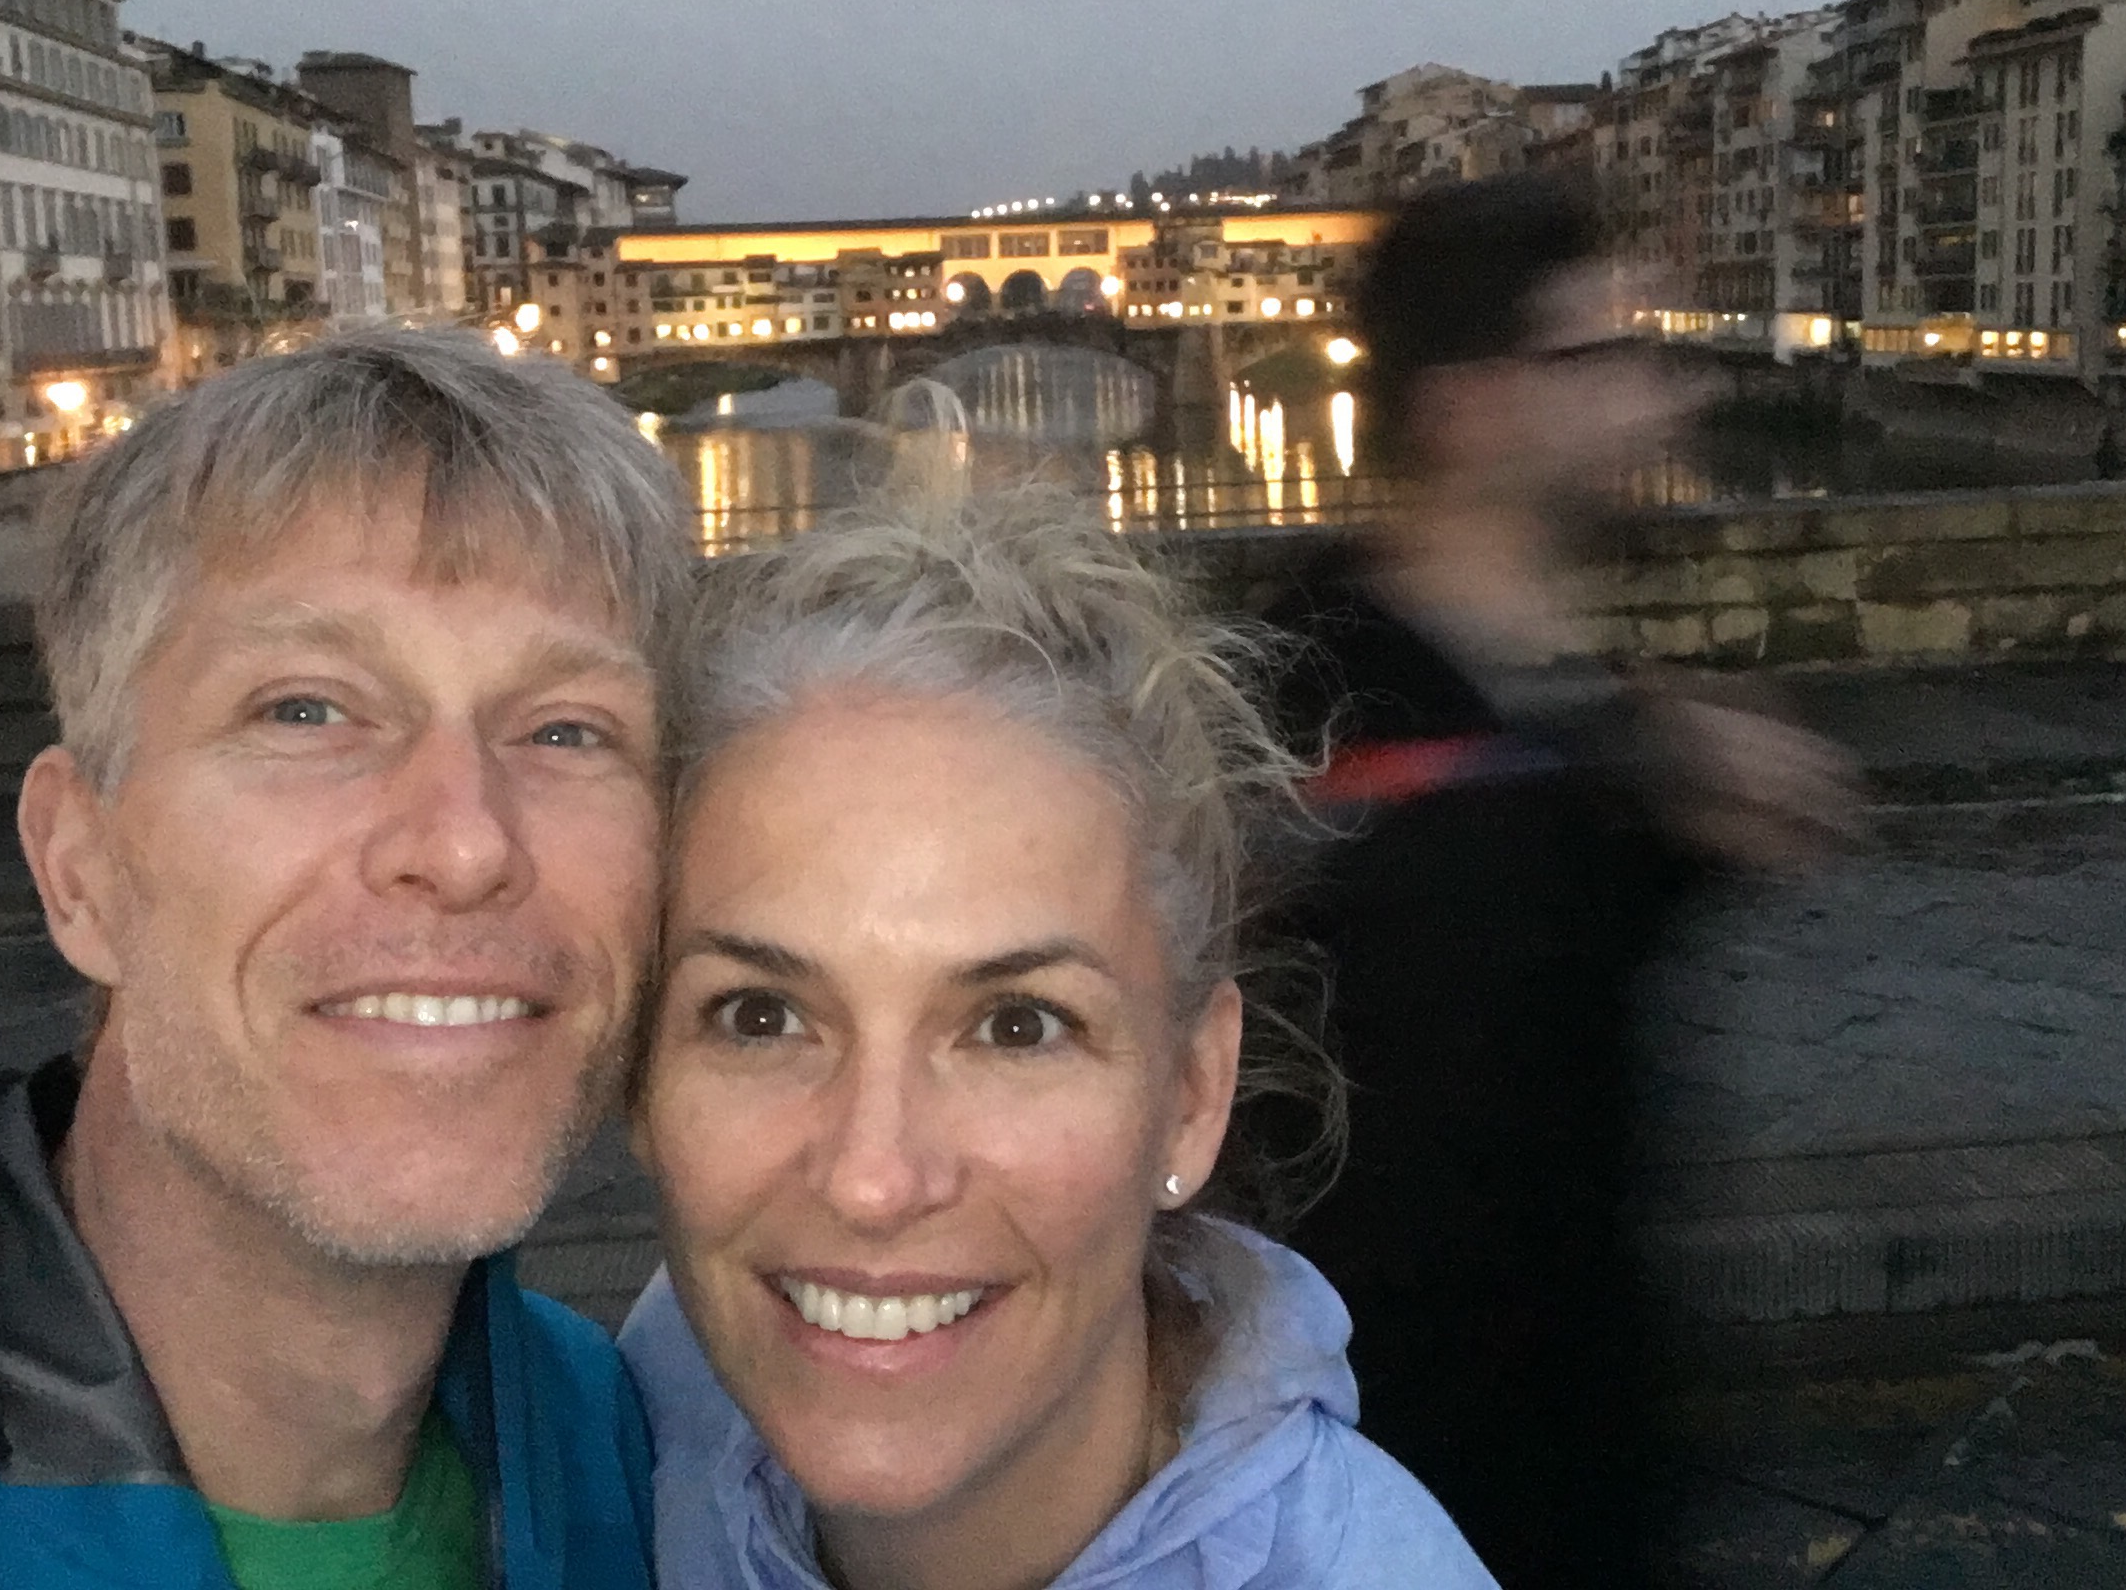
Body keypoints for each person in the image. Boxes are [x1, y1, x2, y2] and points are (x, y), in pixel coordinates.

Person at [0, 329, 689, 1588]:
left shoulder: (616, 1441)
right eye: (306, 710)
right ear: (78, 867)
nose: (464, 844)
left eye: (566, 730)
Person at [618, 469, 1498, 1589]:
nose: (870, 1182)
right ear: (639, 1076)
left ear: (1191, 1095)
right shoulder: (638, 1418)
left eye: (1016, 1027)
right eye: (761, 1017)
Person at [1264, 175, 1854, 1586]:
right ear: (1470, 406)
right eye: (1601, 354)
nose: (1659, 390)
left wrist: (1660, 795)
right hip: (1422, 1482)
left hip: (1579, 1434)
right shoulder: (1335, 715)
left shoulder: (1552, 694)